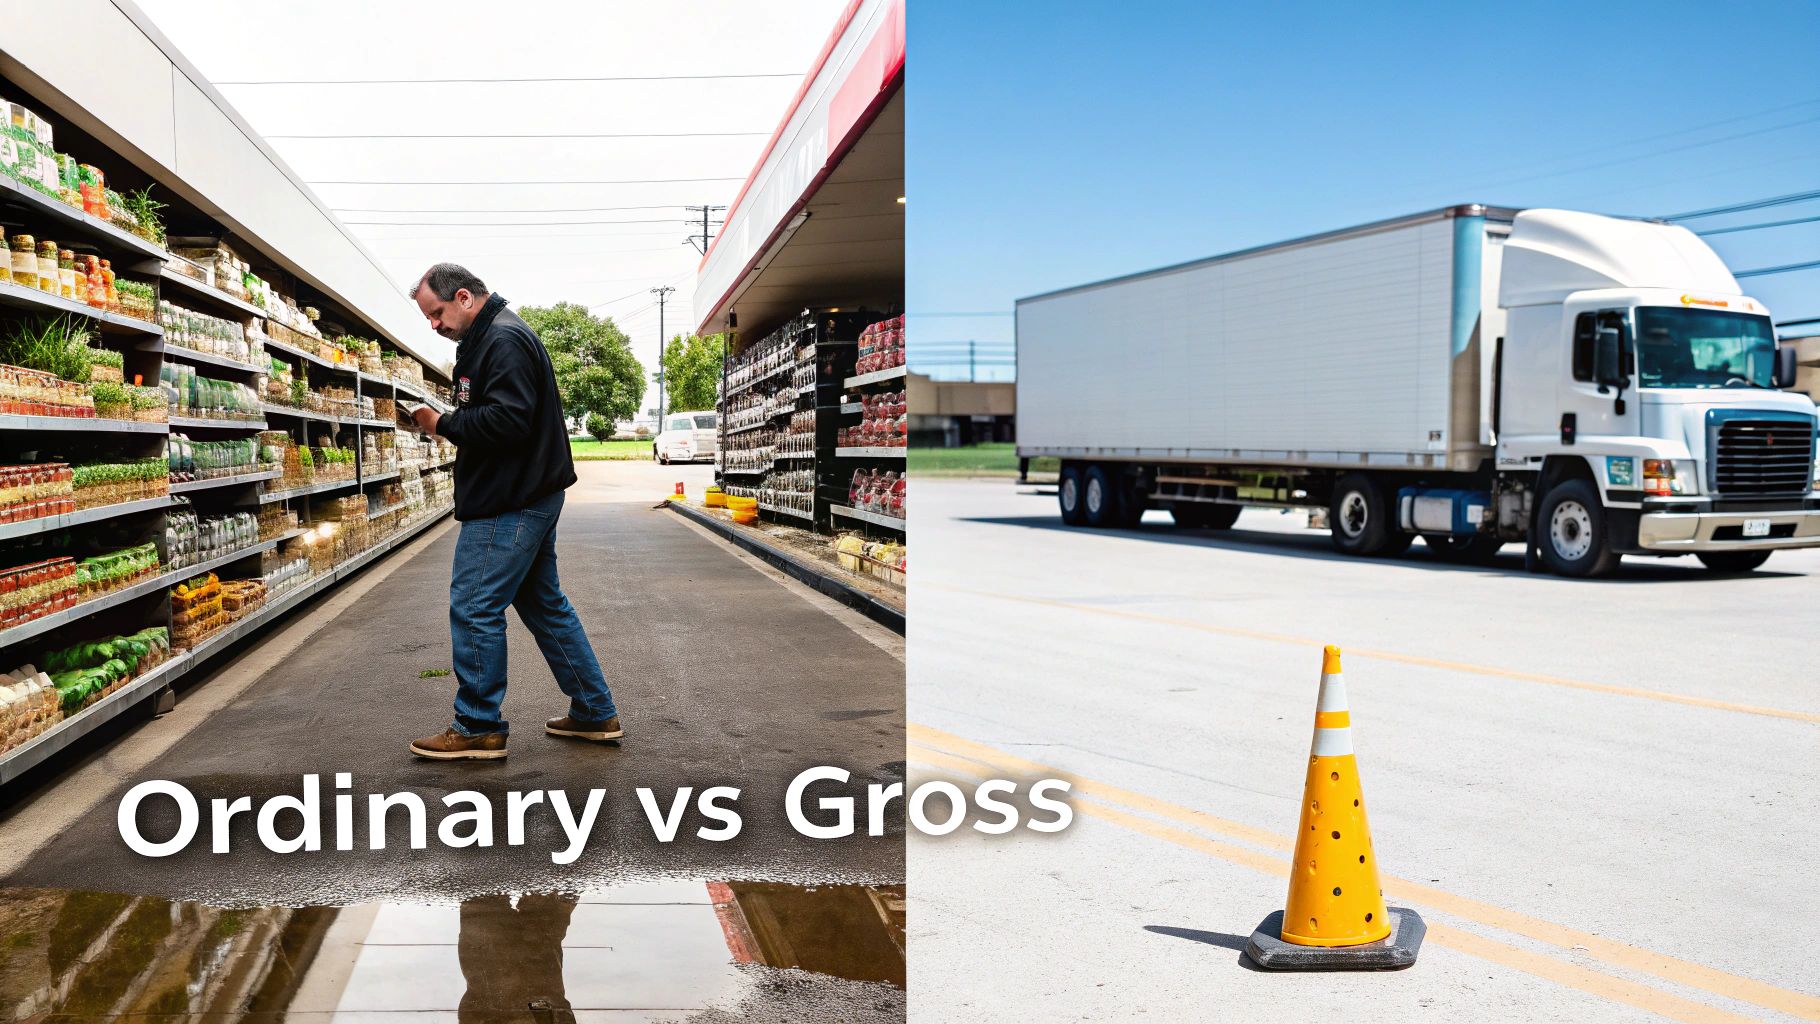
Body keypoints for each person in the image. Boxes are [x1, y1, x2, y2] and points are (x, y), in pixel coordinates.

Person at [405, 263, 623, 760]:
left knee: (476, 605)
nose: (433, 325)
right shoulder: (492, 338)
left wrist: (442, 422)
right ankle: (594, 711)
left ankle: (478, 725)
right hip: (528, 494)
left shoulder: (501, 340)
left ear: (464, 297)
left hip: (510, 501)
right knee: (545, 606)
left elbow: (509, 420)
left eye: (436, 313)